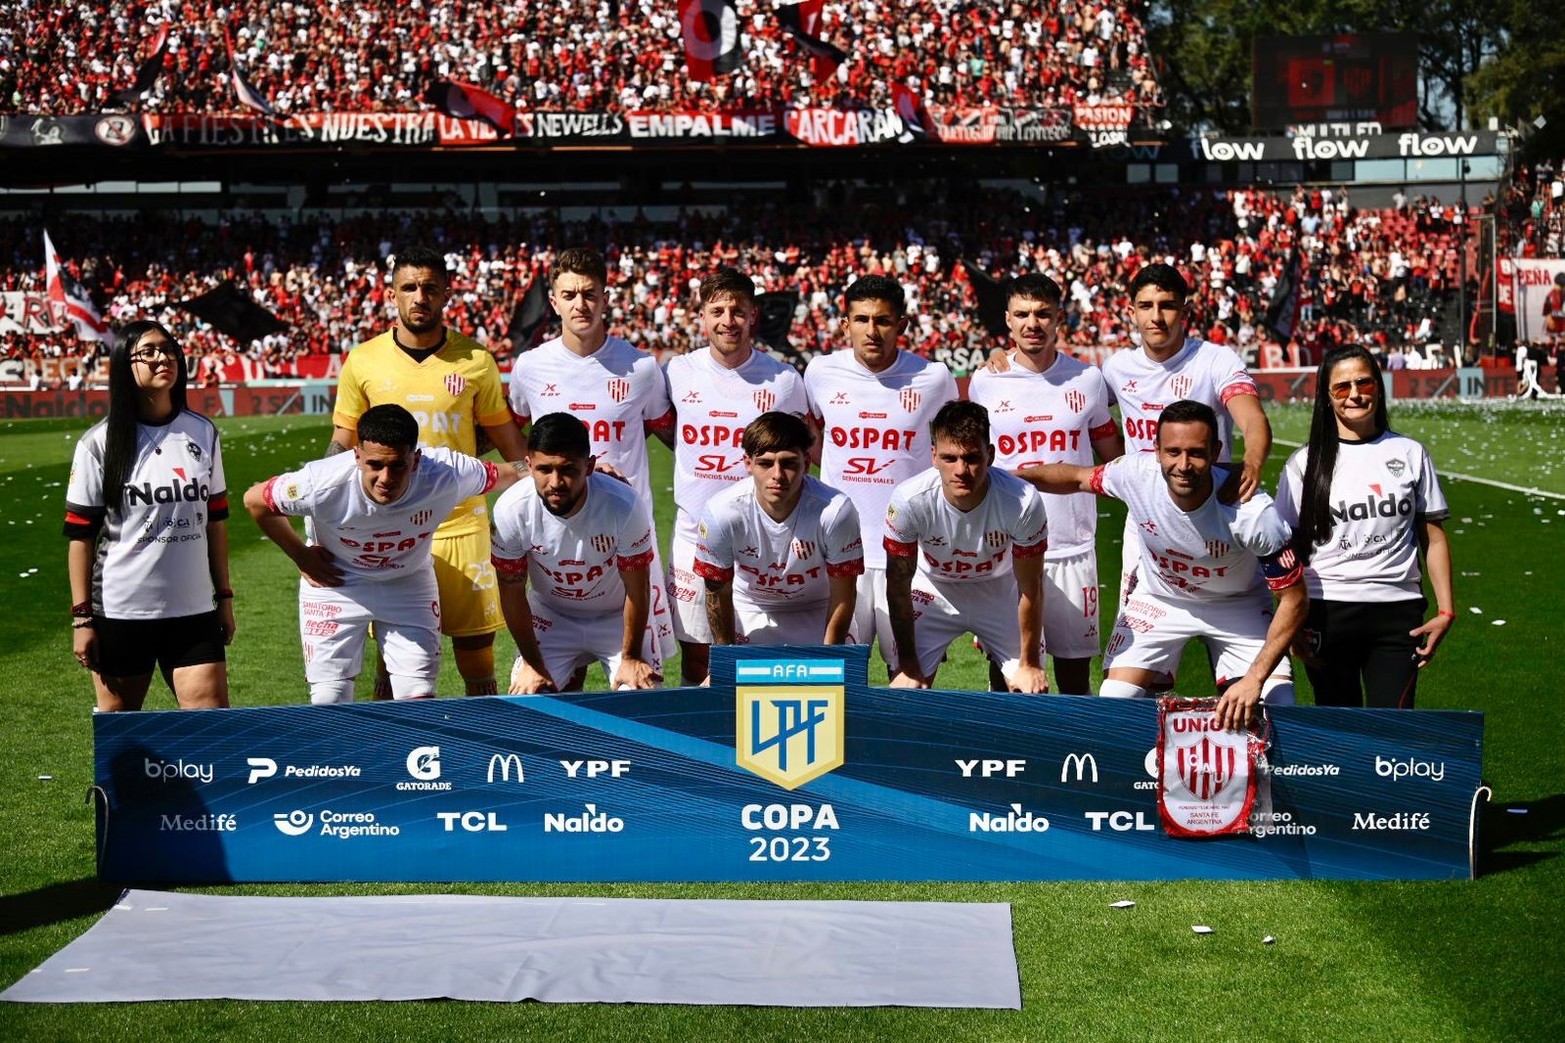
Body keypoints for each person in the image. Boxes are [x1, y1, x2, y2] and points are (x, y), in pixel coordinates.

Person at [1029, 400, 1305, 731]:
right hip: (1161, 598)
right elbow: (1075, 477)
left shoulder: (1253, 512)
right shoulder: (1135, 474)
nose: (1183, 464)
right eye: (1173, 452)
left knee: (1280, 705)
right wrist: (1005, 478)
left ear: (1216, 451)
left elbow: (1294, 599)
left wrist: (1255, 678)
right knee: (1115, 698)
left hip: (1238, 604)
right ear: (1156, 451)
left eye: (1196, 453)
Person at [329, 246, 527, 698]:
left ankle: (487, 749)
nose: (420, 297)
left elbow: (509, 440)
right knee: (391, 654)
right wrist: (322, 496)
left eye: (430, 288)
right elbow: (344, 441)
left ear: (446, 294)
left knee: (477, 648)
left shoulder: (475, 360)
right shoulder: (364, 360)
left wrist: (539, 479)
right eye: (410, 288)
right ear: (392, 294)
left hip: (460, 523)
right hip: (389, 527)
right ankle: (390, 749)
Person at [245, 404, 518, 703]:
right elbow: (255, 500)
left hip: (408, 583)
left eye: (398, 465)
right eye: (375, 464)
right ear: (357, 456)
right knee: (328, 699)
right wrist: (300, 554)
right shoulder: (319, 482)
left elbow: (511, 474)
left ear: (416, 460)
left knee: (418, 695)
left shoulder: (447, 472)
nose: (386, 477)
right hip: (336, 584)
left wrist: (568, 470)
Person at [506, 246, 679, 665]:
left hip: (627, 531)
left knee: (641, 676)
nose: (580, 304)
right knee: (560, 675)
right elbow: (514, 433)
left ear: (605, 297)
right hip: (555, 532)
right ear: (554, 302)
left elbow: (670, 432)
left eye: (589, 294)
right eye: (569, 295)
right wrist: (521, 474)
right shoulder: (530, 366)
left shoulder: (640, 367)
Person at [64, 320, 233, 711]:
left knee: (212, 731)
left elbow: (216, 522)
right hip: (122, 610)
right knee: (121, 738)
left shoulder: (203, 433)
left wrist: (223, 596)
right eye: (150, 351)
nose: (164, 358)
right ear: (125, 364)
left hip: (192, 611)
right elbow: (80, 537)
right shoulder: (98, 444)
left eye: (170, 349)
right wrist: (82, 619)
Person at [970, 273, 1124, 694]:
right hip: (1006, 551)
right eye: (1022, 314)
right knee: (1010, 674)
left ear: (1060, 318)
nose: (1032, 323)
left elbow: (1116, 459)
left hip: (1072, 549)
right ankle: (1013, 755)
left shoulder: (1087, 380)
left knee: (1075, 675)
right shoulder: (986, 381)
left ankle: (1075, 756)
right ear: (1007, 320)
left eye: (1042, 313)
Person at [1275, 346, 1454, 708]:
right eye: (1342, 387)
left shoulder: (1410, 453)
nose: (1355, 394)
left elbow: (1432, 538)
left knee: (1393, 730)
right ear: (1327, 397)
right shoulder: (1303, 464)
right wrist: (1289, 620)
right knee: (1342, 737)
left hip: (1398, 614)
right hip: (1326, 614)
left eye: (1363, 383)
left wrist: (1446, 611)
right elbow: (1284, 552)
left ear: (1378, 387)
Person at [660, 268, 808, 685]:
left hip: (760, 538)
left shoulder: (783, 380)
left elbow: (801, 451)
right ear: (702, 318)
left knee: (761, 656)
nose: (728, 320)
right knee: (698, 660)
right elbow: (661, 425)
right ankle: (703, 749)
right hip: (694, 534)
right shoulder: (677, 373)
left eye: (738, 311)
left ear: (753, 315)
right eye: (718, 310)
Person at [805, 274, 958, 674]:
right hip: (841, 554)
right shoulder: (820, 372)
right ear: (845, 325)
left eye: (883, 321)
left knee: (911, 676)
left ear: (902, 326)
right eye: (861, 320)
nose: (871, 331)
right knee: (835, 674)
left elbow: (952, 448)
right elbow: (808, 439)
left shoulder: (934, 378)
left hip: (910, 553)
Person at [882, 400, 1051, 693]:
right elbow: (898, 584)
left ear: (991, 455)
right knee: (905, 691)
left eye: (972, 458)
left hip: (999, 588)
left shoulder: (1023, 500)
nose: (961, 470)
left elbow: (1031, 584)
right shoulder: (909, 500)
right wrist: (908, 664)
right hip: (933, 588)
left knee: (1030, 690)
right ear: (933, 456)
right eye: (950, 458)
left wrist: (1030, 663)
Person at [490, 413, 661, 693]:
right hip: (552, 616)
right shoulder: (510, 509)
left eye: (568, 469)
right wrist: (532, 664)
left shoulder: (624, 504)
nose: (556, 482)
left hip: (617, 617)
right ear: (529, 465)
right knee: (533, 700)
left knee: (639, 695)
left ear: (590, 466)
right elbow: (511, 592)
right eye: (544, 469)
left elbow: (638, 587)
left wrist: (630, 657)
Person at [694, 412, 863, 656]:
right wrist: (725, 659)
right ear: (748, 463)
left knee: (833, 690)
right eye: (765, 463)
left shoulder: (835, 510)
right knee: (732, 691)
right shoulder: (721, 512)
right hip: (751, 607)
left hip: (818, 608)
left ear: (806, 462)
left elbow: (844, 595)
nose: (777, 475)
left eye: (789, 463)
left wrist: (830, 660)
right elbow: (716, 592)